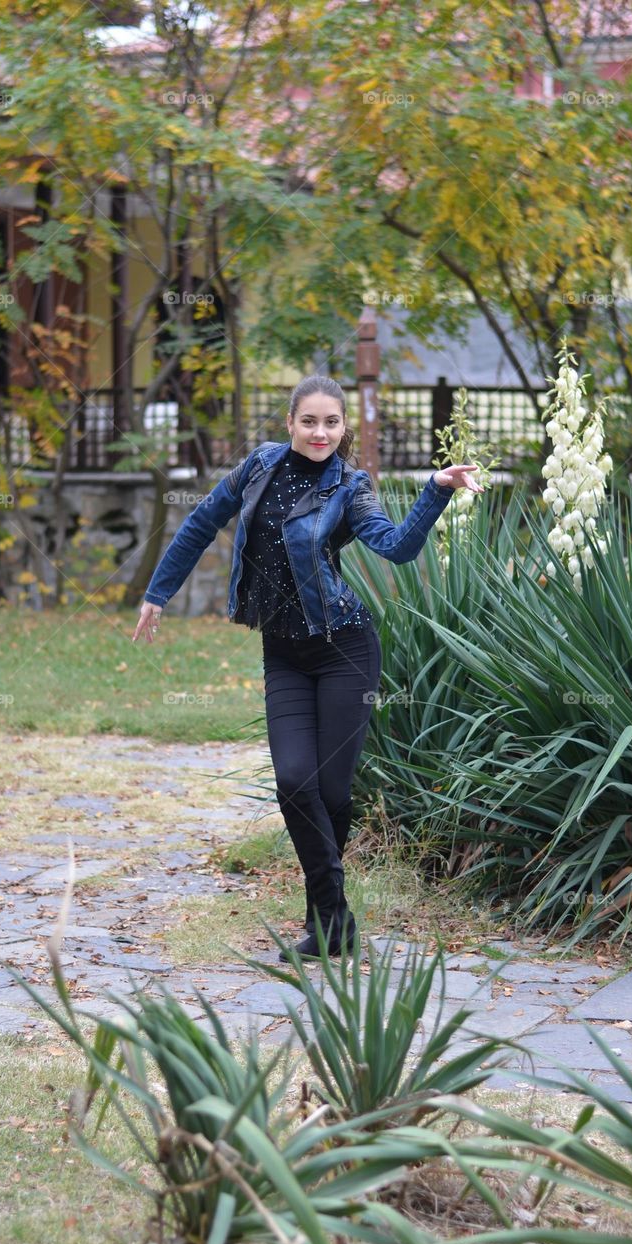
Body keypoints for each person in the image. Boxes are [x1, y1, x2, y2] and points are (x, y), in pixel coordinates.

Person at [132, 374, 482, 962]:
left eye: (332, 423)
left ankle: (325, 925)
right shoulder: (259, 467)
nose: (321, 433)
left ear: (343, 428)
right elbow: (201, 522)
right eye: (310, 421)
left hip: (346, 649)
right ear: (290, 423)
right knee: (295, 782)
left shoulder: (351, 486)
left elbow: (396, 547)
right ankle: (336, 917)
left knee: (333, 792)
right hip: (285, 653)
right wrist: (158, 592)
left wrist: (436, 489)